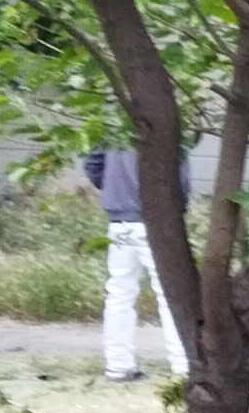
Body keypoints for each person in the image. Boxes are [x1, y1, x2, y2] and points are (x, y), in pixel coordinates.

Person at [81, 145, 190, 383]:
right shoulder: (168, 117)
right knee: (170, 293)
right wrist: (179, 206)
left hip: (119, 219)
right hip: (159, 218)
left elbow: (93, 165)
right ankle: (183, 364)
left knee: (119, 292)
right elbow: (178, 170)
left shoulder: (111, 119)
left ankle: (118, 366)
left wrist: (114, 190)